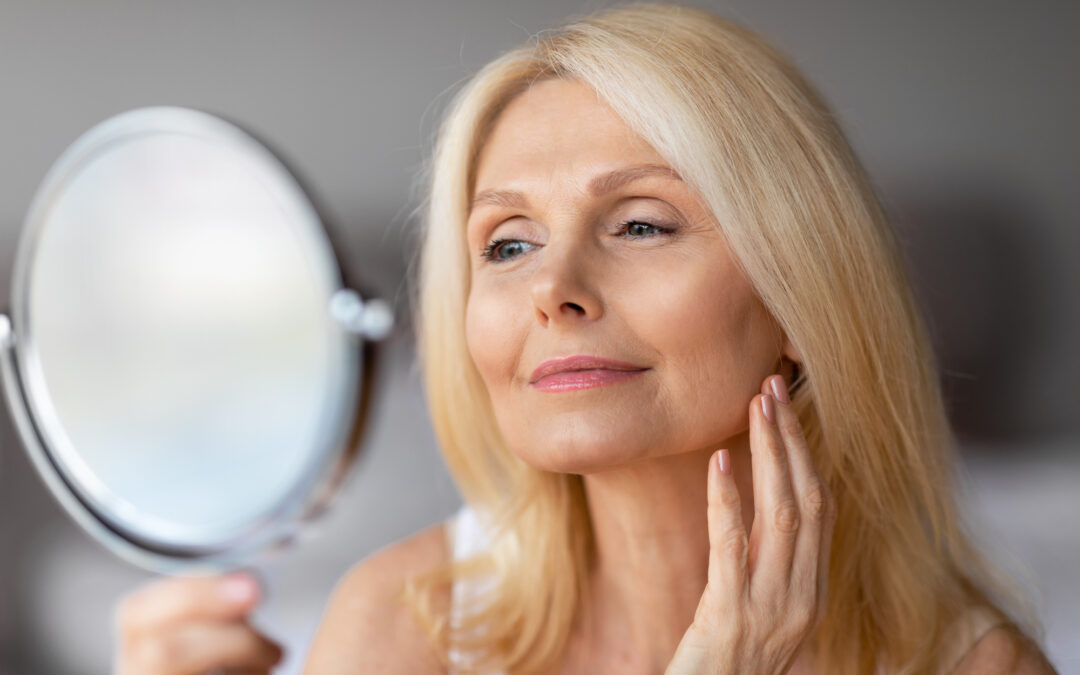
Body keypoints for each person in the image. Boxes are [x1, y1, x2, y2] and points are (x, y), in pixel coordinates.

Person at [113, 4, 1058, 674]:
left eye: (642, 224)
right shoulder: (409, 628)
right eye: (509, 243)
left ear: (800, 297)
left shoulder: (974, 665)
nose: (553, 291)